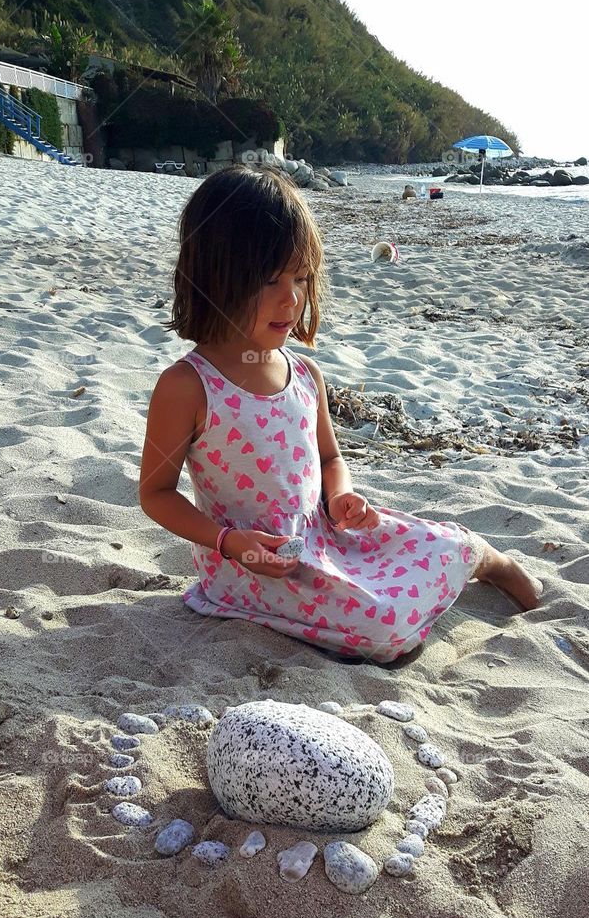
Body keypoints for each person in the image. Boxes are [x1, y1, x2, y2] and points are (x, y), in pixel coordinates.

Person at [139, 164, 542, 664]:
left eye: (301, 278)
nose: (292, 299)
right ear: (215, 277)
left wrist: (341, 496)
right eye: (270, 280)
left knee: (441, 542)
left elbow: (330, 459)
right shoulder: (188, 385)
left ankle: (490, 561)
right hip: (250, 565)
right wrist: (228, 542)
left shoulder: (304, 373)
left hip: (324, 534)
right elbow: (155, 494)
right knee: (384, 630)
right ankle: (444, 581)